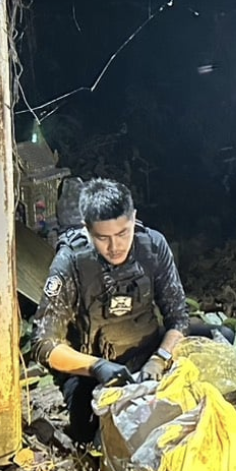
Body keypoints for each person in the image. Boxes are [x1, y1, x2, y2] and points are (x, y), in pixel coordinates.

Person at [31, 178, 193, 444]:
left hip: (148, 354)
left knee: (219, 345)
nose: (115, 246)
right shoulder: (70, 261)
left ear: (134, 219)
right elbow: (43, 344)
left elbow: (179, 318)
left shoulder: (152, 246)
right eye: (103, 238)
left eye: (122, 233)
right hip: (91, 369)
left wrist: (160, 358)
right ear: (87, 229)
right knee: (94, 436)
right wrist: (96, 367)